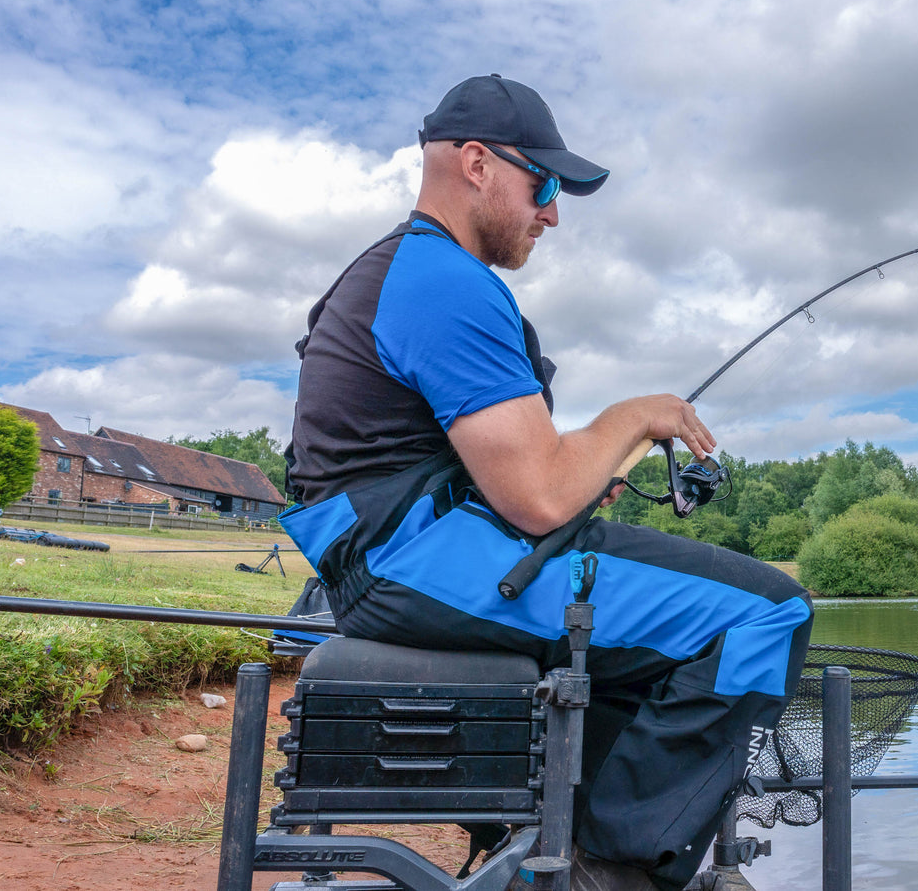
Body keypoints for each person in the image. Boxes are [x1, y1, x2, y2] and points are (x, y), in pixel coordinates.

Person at [280, 75, 814, 891]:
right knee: (765, 613)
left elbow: (505, 474)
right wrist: (630, 419)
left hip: (396, 555)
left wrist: (578, 475)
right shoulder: (442, 279)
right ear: (477, 165)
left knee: (670, 635)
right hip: (411, 562)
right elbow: (538, 497)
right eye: (546, 186)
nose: (552, 214)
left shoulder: (405, 271)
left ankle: (553, 832)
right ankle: (603, 868)